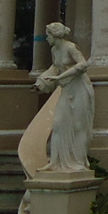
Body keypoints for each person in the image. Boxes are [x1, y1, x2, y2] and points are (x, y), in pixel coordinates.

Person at [34, 21, 94, 172]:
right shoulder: (55, 50)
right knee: (58, 123)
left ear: (55, 35)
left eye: (48, 35)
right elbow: (55, 67)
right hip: (67, 89)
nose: (46, 38)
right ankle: (54, 162)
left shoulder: (70, 47)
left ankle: (79, 162)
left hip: (79, 87)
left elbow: (83, 65)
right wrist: (41, 82)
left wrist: (61, 77)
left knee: (79, 125)